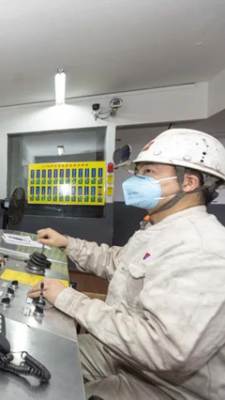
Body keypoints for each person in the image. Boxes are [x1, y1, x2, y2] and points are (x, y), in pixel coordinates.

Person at [27, 129, 225, 400]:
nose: (136, 180)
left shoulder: (203, 248)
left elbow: (165, 349)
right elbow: (116, 262)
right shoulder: (158, 229)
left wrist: (68, 299)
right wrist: (66, 243)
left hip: (164, 386)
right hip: (123, 356)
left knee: (46, 393)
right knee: (36, 354)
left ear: (188, 182)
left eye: (149, 172)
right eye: (138, 172)